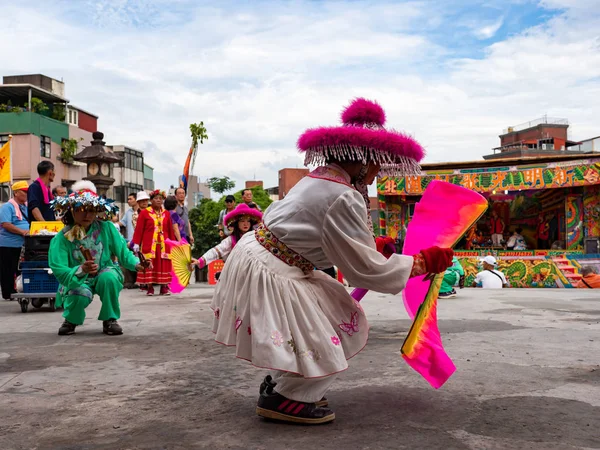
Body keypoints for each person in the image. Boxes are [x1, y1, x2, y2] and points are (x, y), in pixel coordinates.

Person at [210, 98, 453, 424]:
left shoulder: (320, 179)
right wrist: (420, 263)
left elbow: (328, 236)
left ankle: (283, 387)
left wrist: (372, 247)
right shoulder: (341, 194)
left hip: (267, 260)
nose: (379, 171)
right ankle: (288, 398)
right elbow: (365, 270)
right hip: (272, 268)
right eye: (378, 163)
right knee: (329, 333)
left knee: (328, 316)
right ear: (364, 161)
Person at [48, 181, 148, 336]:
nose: (88, 215)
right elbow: (59, 268)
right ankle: (71, 319)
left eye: (92, 210)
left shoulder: (107, 228)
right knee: (78, 294)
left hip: (103, 271)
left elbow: (123, 252)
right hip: (78, 278)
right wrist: (81, 270)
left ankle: (110, 319)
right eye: (82, 209)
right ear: (72, 210)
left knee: (109, 278)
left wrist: (137, 264)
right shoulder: (62, 238)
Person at [132, 189, 175, 296]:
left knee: (163, 265)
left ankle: (164, 287)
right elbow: (139, 229)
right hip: (149, 244)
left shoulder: (166, 214)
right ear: (151, 200)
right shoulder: (144, 213)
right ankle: (150, 287)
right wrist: (136, 243)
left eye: (161, 199)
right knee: (149, 264)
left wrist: (173, 243)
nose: (159, 200)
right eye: (156, 198)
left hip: (163, 245)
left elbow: (170, 229)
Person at [195, 204, 262, 269]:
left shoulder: (255, 237)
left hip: (254, 271)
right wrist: (201, 260)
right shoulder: (231, 240)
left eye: (248, 221)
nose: (246, 224)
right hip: (237, 271)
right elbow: (217, 250)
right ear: (236, 223)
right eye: (242, 221)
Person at [0, 181, 29, 300]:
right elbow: (6, 224)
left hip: (23, 244)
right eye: (24, 191)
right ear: (16, 193)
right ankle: (7, 293)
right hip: (8, 244)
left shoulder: (26, 206)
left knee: (19, 268)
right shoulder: (7, 206)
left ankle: (18, 289)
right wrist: (22, 231)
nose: (27, 194)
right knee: (7, 269)